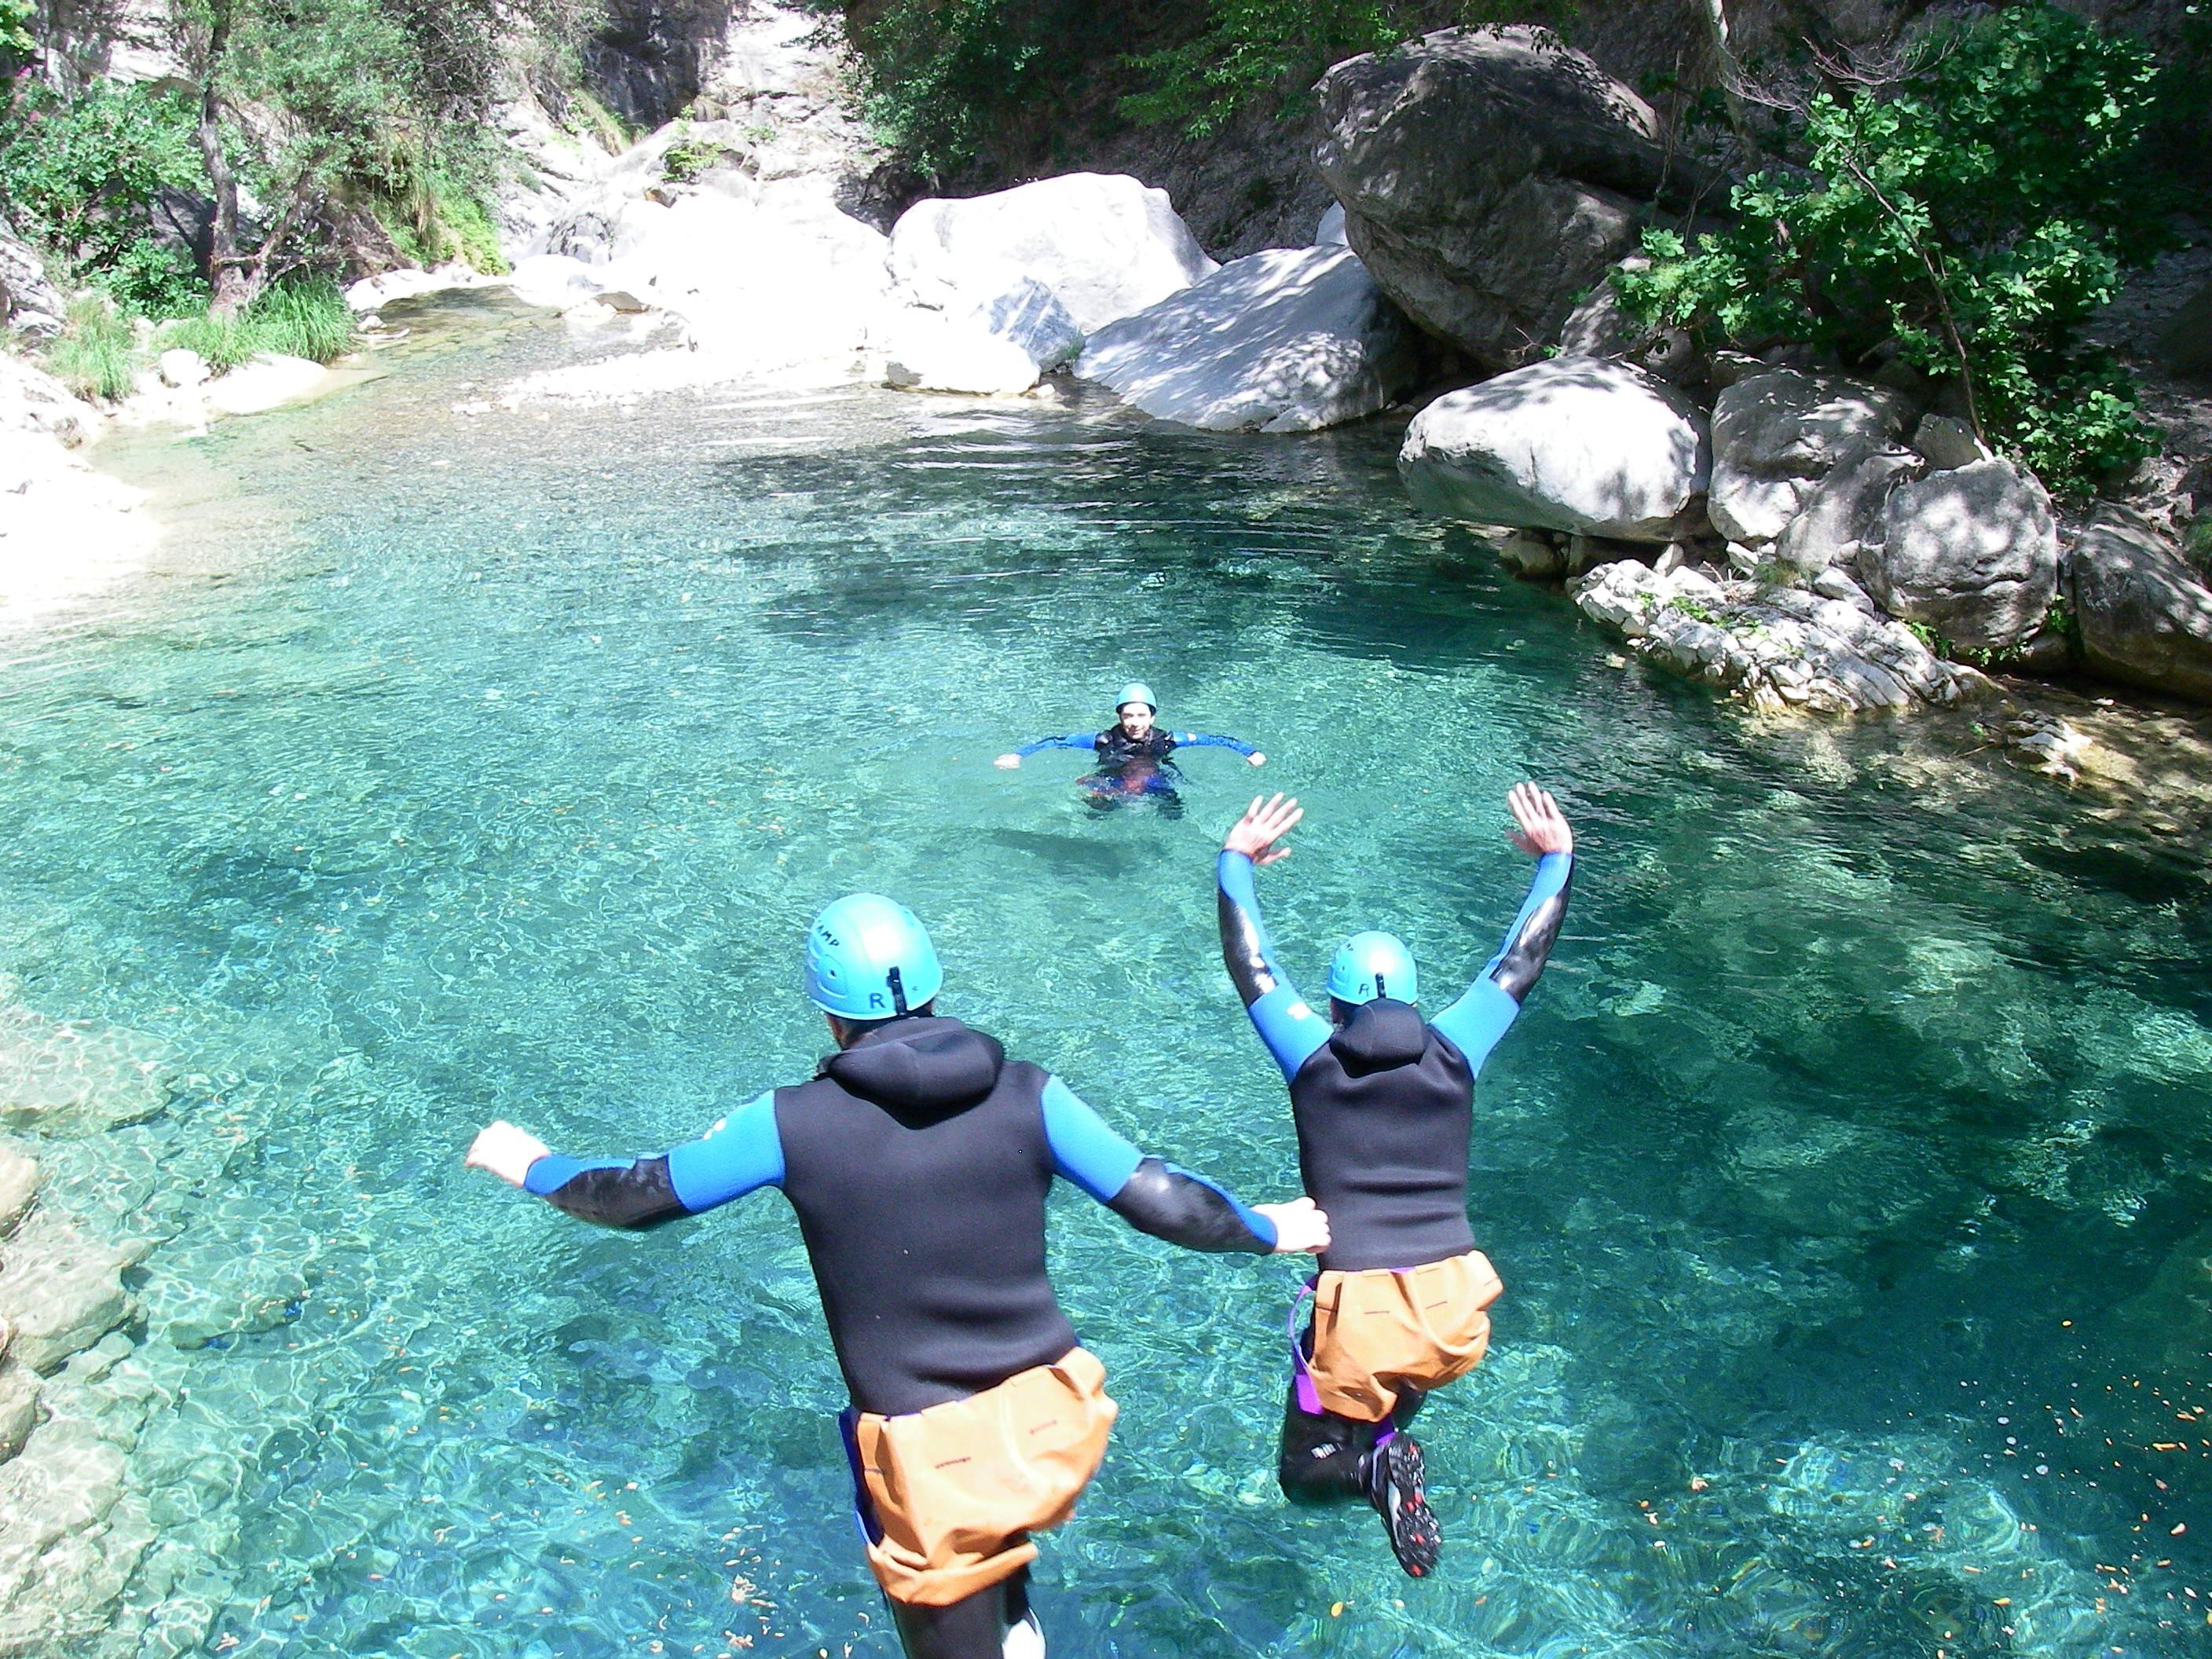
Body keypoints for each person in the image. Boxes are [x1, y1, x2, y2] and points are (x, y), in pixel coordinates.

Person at [467, 892, 1329, 1659]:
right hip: (1056, 1424)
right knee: (997, 1548)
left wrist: (532, 1163)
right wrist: (1265, 1229)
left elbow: (637, 1196)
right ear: (931, 988)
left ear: (829, 1017)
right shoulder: (1029, 1091)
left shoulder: (789, 1122)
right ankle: (1017, 1618)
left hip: (933, 1457)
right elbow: (1164, 1200)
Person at [1213, 785, 1573, 1578]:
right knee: (1382, 1415)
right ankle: (1384, 1463)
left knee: (1306, 1472)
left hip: (1358, 1313)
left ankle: (1373, 1474)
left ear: (1335, 1006)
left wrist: (1233, 862)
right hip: (1452, 1307)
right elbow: (1519, 961)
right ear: (1411, 996)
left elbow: (1252, 964)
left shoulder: (1312, 1056)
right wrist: (1557, 860)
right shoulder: (1456, 1048)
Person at [995, 683, 1265, 817]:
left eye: (1141, 715)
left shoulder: (1168, 740)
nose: (1134, 722)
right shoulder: (1102, 740)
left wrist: (1249, 752)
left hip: (1155, 779)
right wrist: (1019, 754)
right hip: (1112, 777)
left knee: (1174, 814)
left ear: (1152, 718)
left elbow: (1215, 740)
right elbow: (1056, 741)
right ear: (1120, 717)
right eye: (1128, 716)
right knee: (1094, 815)